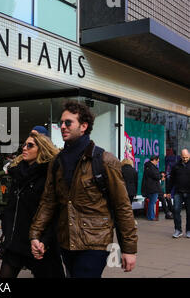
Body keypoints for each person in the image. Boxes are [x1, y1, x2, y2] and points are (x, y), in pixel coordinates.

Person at [29, 100, 137, 278]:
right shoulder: (57, 162)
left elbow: (122, 207)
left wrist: (129, 250)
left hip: (95, 243)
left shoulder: (104, 160)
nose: (62, 126)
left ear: (83, 126)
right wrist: (36, 235)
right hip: (66, 241)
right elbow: (48, 202)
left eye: (68, 122)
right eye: (61, 123)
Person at [0, 132, 64, 278]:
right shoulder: (18, 172)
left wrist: (44, 241)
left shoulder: (49, 174)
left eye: (30, 145)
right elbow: (12, 207)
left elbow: (55, 212)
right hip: (16, 241)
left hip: (39, 242)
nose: (24, 148)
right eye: (24, 145)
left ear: (41, 149)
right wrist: (7, 229)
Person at [170, 149, 190, 238]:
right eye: (183, 157)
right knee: (176, 210)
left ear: (189, 155)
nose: (185, 159)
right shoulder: (176, 166)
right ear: (180, 156)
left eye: (186, 157)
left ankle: (189, 230)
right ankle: (178, 230)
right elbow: (171, 180)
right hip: (178, 192)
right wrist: (168, 191)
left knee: (189, 213)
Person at [141, 155, 161, 221]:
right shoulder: (151, 167)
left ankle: (150, 216)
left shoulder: (147, 166)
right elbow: (156, 176)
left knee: (151, 203)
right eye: (157, 161)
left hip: (149, 187)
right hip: (153, 188)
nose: (157, 163)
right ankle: (151, 217)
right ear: (154, 160)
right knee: (152, 203)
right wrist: (160, 176)